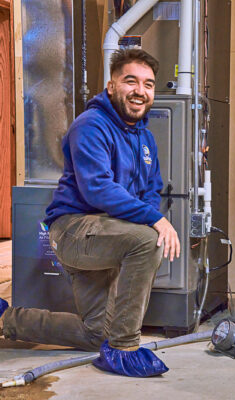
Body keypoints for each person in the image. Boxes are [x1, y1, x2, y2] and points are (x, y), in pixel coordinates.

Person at [0, 49, 180, 377]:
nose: (141, 91)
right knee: (148, 241)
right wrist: (154, 221)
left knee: (95, 334)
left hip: (109, 231)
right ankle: (124, 348)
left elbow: (152, 189)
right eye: (131, 81)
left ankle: (5, 320)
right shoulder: (91, 126)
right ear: (111, 86)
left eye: (149, 84)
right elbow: (97, 188)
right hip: (74, 230)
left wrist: (150, 216)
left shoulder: (145, 138)